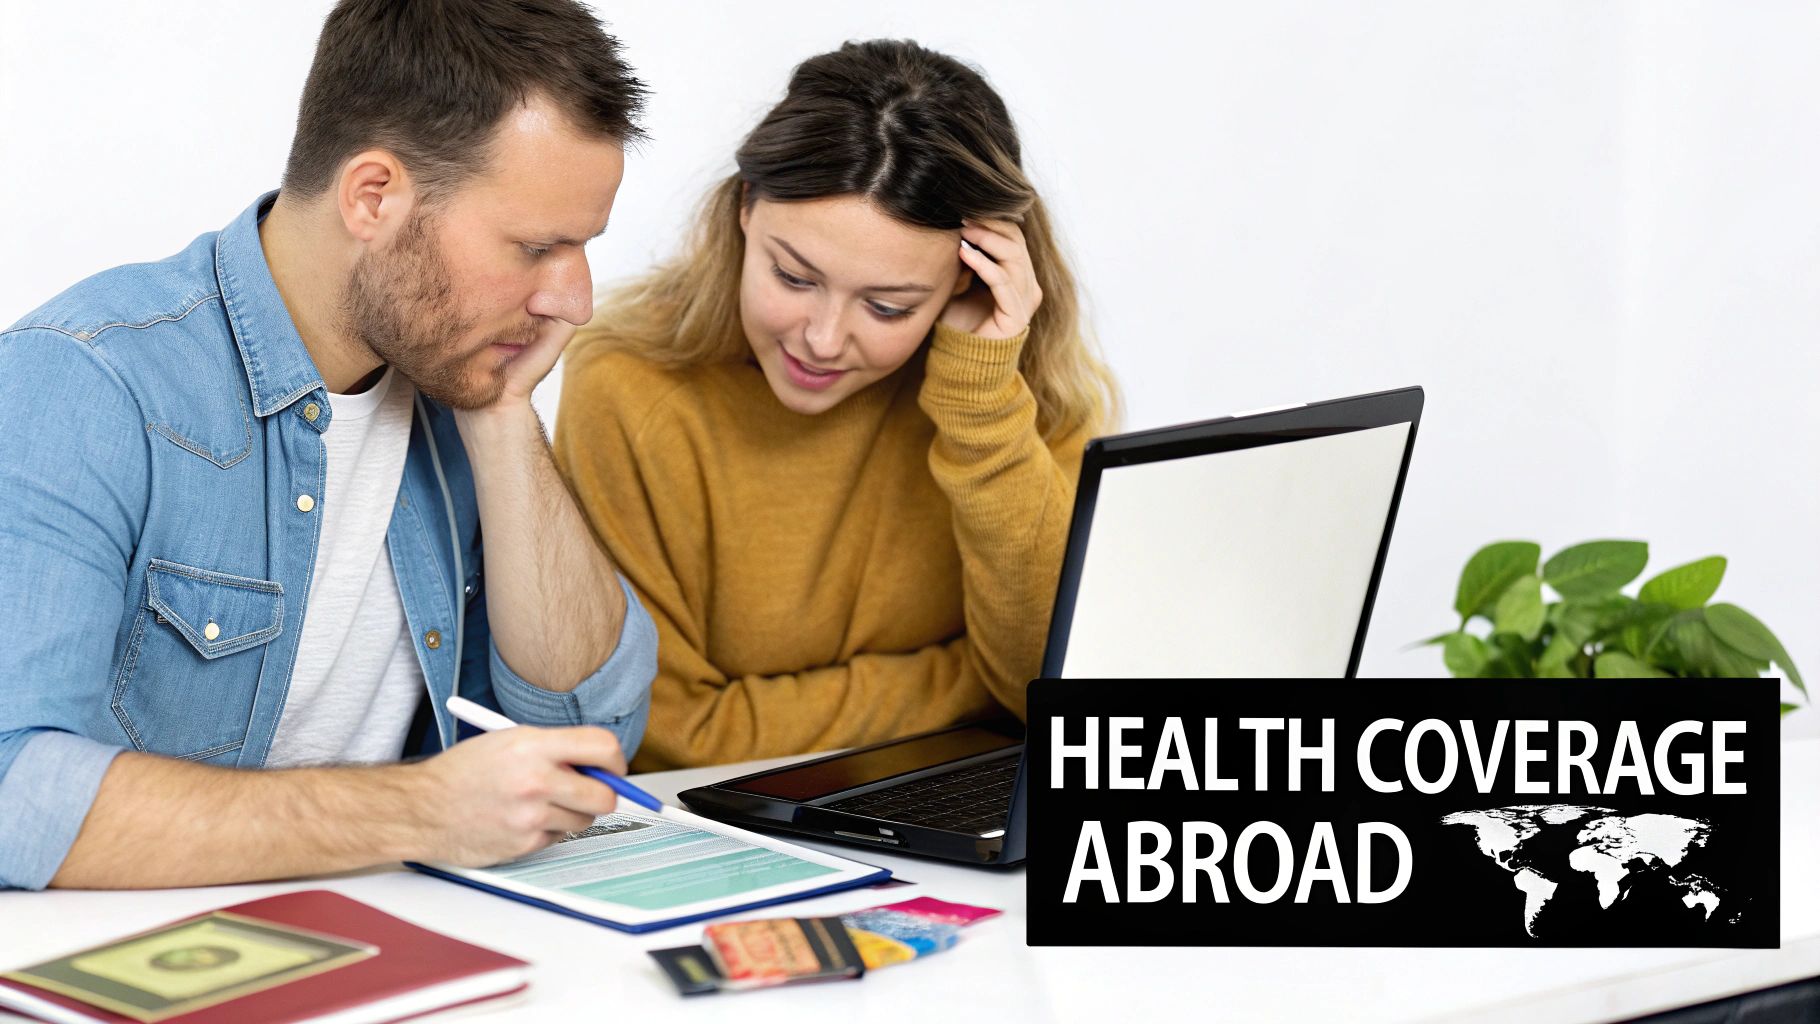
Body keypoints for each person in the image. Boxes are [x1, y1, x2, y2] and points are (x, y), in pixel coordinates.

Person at [0, 0, 660, 890]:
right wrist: (418, 809)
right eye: (538, 246)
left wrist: (503, 416)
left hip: (402, 943)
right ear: (373, 196)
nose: (574, 301)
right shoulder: (81, 384)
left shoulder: (450, 376)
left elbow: (588, 734)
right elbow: (12, 793)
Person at [556, 39, 1117, 770]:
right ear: (747, 210)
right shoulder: (631, 386)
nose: (821, 340)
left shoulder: (1014, 395)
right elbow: (670, 733)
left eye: (887, 307)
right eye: (793, 278)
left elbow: (1058, 699)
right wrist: (970, 681)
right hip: (731, 834)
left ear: (965, 283)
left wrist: (982, 407)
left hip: (952, 822)